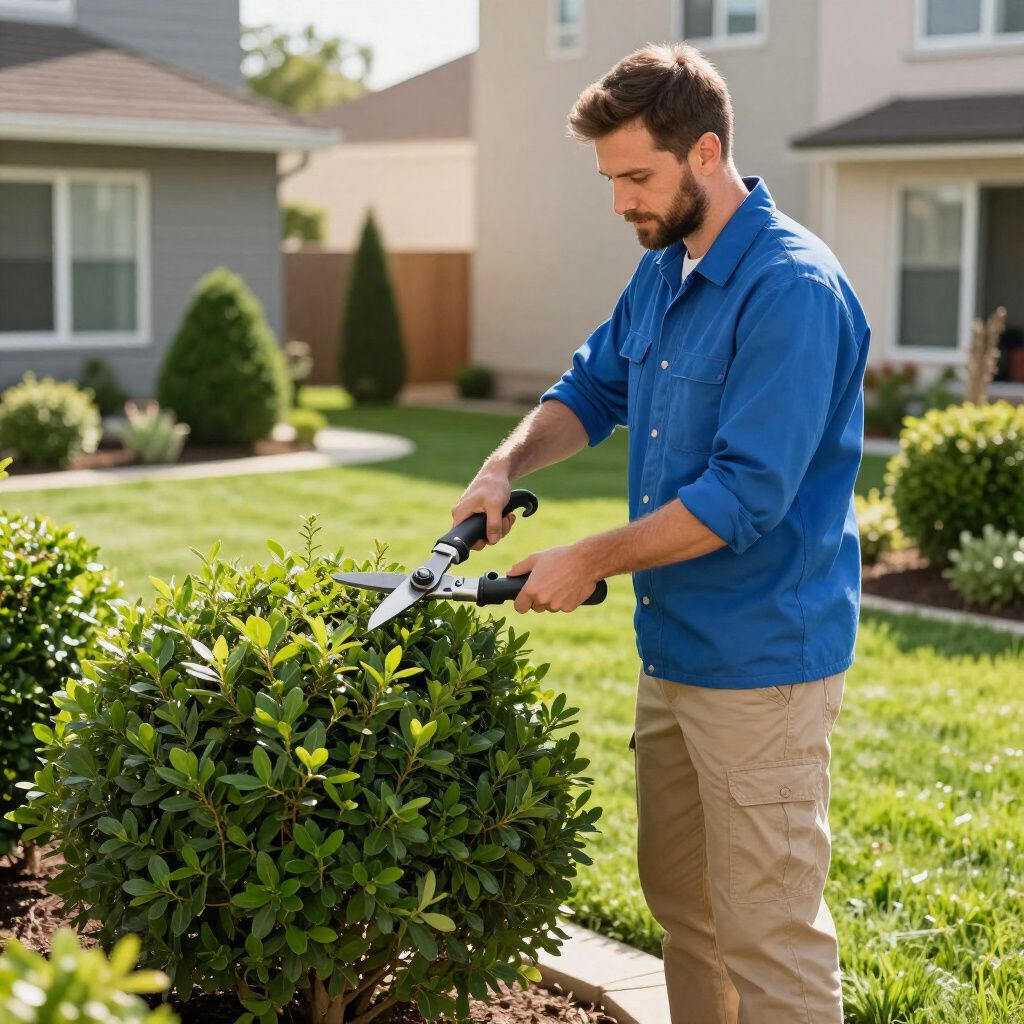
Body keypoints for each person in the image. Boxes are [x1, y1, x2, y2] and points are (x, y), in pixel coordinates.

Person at [451, 43, 869, 1024]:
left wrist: (587, 556)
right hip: (674, 651)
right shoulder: (664, 272)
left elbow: (743, 497)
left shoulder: (790, 290)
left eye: (635, 177)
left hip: (762, 663)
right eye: (610, 179)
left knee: (768, 933)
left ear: (707, 153)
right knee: (687, 912)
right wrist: (504, 465)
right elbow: (592, 386)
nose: (619, 203)